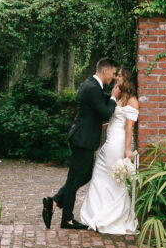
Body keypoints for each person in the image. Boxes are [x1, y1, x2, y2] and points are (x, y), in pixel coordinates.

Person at [42, 57, 120, 230]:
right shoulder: (92, 88)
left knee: (84, 176)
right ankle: (66, 219)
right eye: (114, 73)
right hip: (83, 139)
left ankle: (54, 202)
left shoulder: (93, 85)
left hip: (84, 139)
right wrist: (114, 98)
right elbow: (106, 112)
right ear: (105, 70)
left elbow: (102, 102)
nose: (114, 77)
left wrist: (115, 96)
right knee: (75, 178)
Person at [78, 67, 139, 234]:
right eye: (116, 75)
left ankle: (113, 217)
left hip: (117, 143)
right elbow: (111, 121)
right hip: (108, 142)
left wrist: (127, 150)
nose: (116, 78)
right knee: (99, 174)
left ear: (126, 80)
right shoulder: (118, 99)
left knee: (113, 179)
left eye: (119, 76)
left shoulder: (133, 100)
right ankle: (96, 213)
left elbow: (129, 128)